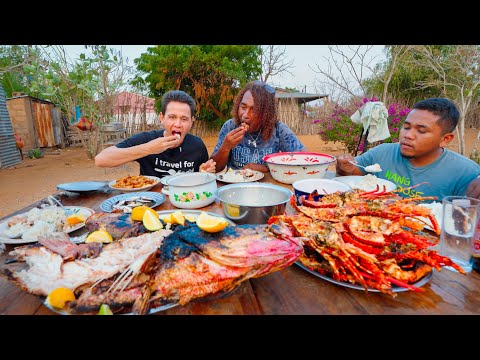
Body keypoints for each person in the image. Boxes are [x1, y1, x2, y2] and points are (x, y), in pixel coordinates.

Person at [336, 97, 480, 200]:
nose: (408, 135)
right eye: (406, 127)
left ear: (445, 139)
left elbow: (466, 221)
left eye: (421, 131)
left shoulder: (467, 173)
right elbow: (349, 175)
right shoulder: (382, 152)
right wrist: (343, 167)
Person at [95, 90, 216, 178]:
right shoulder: (147, 139)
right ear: (162, 118)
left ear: (191, 122)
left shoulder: (197, 145)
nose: (178, 124)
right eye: (172, 117)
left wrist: (204, 172)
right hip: (151, 204)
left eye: (184, 119)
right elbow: (101, 159)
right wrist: (148, 149)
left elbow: (202, 176)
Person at [210, 80, 306, 173]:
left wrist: (267, 168)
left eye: (254, 110)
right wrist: (225, 147)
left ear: (265, 114)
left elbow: (304, 160)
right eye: (243, 107)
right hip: (236, 186)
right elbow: (215, 168)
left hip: (267, 186)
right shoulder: (230, 126)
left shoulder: (278, 130)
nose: (245, 115)